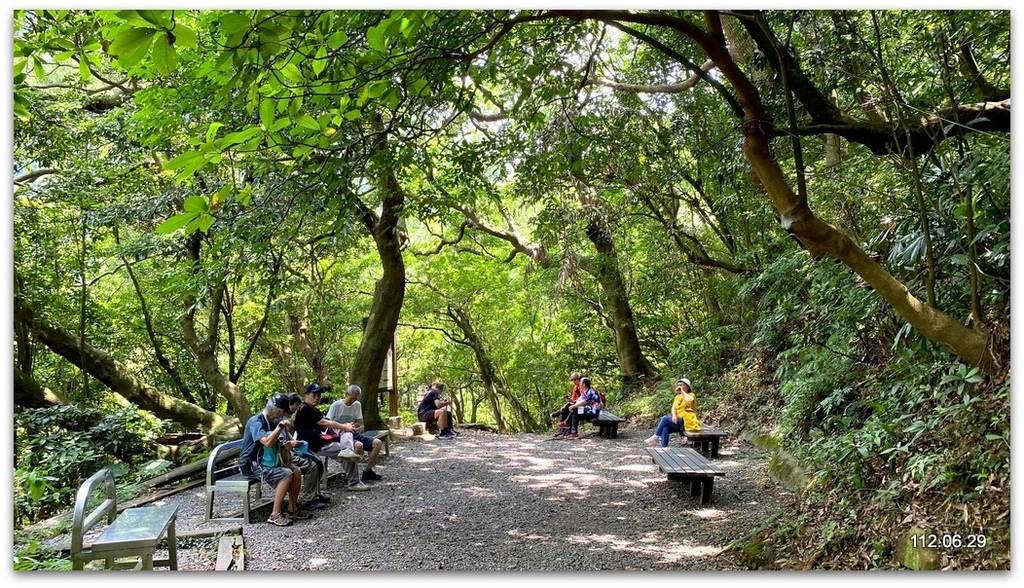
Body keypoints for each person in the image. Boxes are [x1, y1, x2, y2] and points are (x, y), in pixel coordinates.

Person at [238, 394, 312, 526]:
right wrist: (281, 427)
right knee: (286, 474)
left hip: (268, 461)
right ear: (278, 412)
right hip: (251, 464)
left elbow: (284, 440)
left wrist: (291, 443)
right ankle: (275, 514)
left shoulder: (274, 421)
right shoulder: (256, 422)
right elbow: (267, 442)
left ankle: (292, 509)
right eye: (283, 413)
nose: (284, 416)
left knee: (296, 471)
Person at [294, 383, 371, 491]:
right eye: (314, 395)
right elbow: (324, 422)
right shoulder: (304, 409)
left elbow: (327, 422)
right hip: (314, 445)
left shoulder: (314, 410)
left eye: (319, 395)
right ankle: (354, 482)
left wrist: (346, 427)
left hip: (324, 441)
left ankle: (353, 478)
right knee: (346, 452)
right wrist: (344, 426)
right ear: (306, 395)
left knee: (349, 450)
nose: (317, 398)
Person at [326, 384, 384, 482]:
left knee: (378, 443)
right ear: (346, 394)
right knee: (358, 446)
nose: (353, 401)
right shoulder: (336, 405)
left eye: (355, 399)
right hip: (339, 435)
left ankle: (368, 470)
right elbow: (327, 422)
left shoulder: (357, 405)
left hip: (353, 433)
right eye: (351, 398)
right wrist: (342, 427)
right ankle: (353, 477)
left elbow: (359, 422)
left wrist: (352, 426)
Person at [283, 394, 330, 508]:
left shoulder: (285, 418)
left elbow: (287, 435)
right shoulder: (280, 418)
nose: (296, 409)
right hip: (284, 454)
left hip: (293, 449)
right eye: (295, 407)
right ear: (290, 404)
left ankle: (315, 494)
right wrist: (292, 443)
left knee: (318, 462)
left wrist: (292, 441)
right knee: (313, 464)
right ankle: (309, 498)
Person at [644, 378, 701, 448]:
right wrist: (674, 416)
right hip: (678, 421)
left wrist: (682, 391)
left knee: (665, 418)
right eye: (678, 385)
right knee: (665, 427)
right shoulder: (677, 397)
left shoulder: (691, 395)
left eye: (682, 385)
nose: (679, 387)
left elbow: (689, 400)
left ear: (687, 387)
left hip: (688, 421)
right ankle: (664, 448)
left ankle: (656, 436)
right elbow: (673, 408)